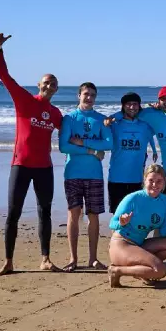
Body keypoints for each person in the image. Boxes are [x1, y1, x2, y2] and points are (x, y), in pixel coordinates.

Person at [0, 31, 63, 276]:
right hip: (20, 165)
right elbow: (5, 76)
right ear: (39, 85)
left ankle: (45, 258)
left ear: (56, 88)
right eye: (46, 82)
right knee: (14, 213)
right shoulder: (23, 100)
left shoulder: (55, 113)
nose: (50, 86)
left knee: (45, 211)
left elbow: (69, 132)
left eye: (53, 83)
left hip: (44, 167)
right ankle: (9, 262)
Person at [59, 82, 113, 272]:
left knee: (94, 216)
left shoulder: (102, 119)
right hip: (73, 172)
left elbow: (108, 144)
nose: (89, 98)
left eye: (92, 95)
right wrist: (91, 150)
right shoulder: (69, 119)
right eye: (86, 94)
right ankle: (73, 259)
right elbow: (64, 147)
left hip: (94, 174)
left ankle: (93, 259)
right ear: (78, 95)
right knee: (74, 214)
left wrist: (82, 142)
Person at [107, 164, 166, 287]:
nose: (155, 185)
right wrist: (121, 222)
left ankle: (143, 272)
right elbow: (112, 224)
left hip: (139, 245)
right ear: (144, 180)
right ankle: (116, 270)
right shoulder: (133, 198)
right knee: (160, 270)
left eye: (159, 181)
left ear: (164, 183)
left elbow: (162, 232)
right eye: (151, 180)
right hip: (122, 244)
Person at [107, 92, 158, 213]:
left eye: (135, 104)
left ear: (139, 106)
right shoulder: (114, 124)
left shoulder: (145, 126)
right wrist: (117, 116)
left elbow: (160, 121)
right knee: (118, 214)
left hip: (137, 179)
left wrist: (155, 109)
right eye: (128, 104)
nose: (132, 107)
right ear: (123, 106)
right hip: (116, 178)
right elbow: (104, 122)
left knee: (135, 215)